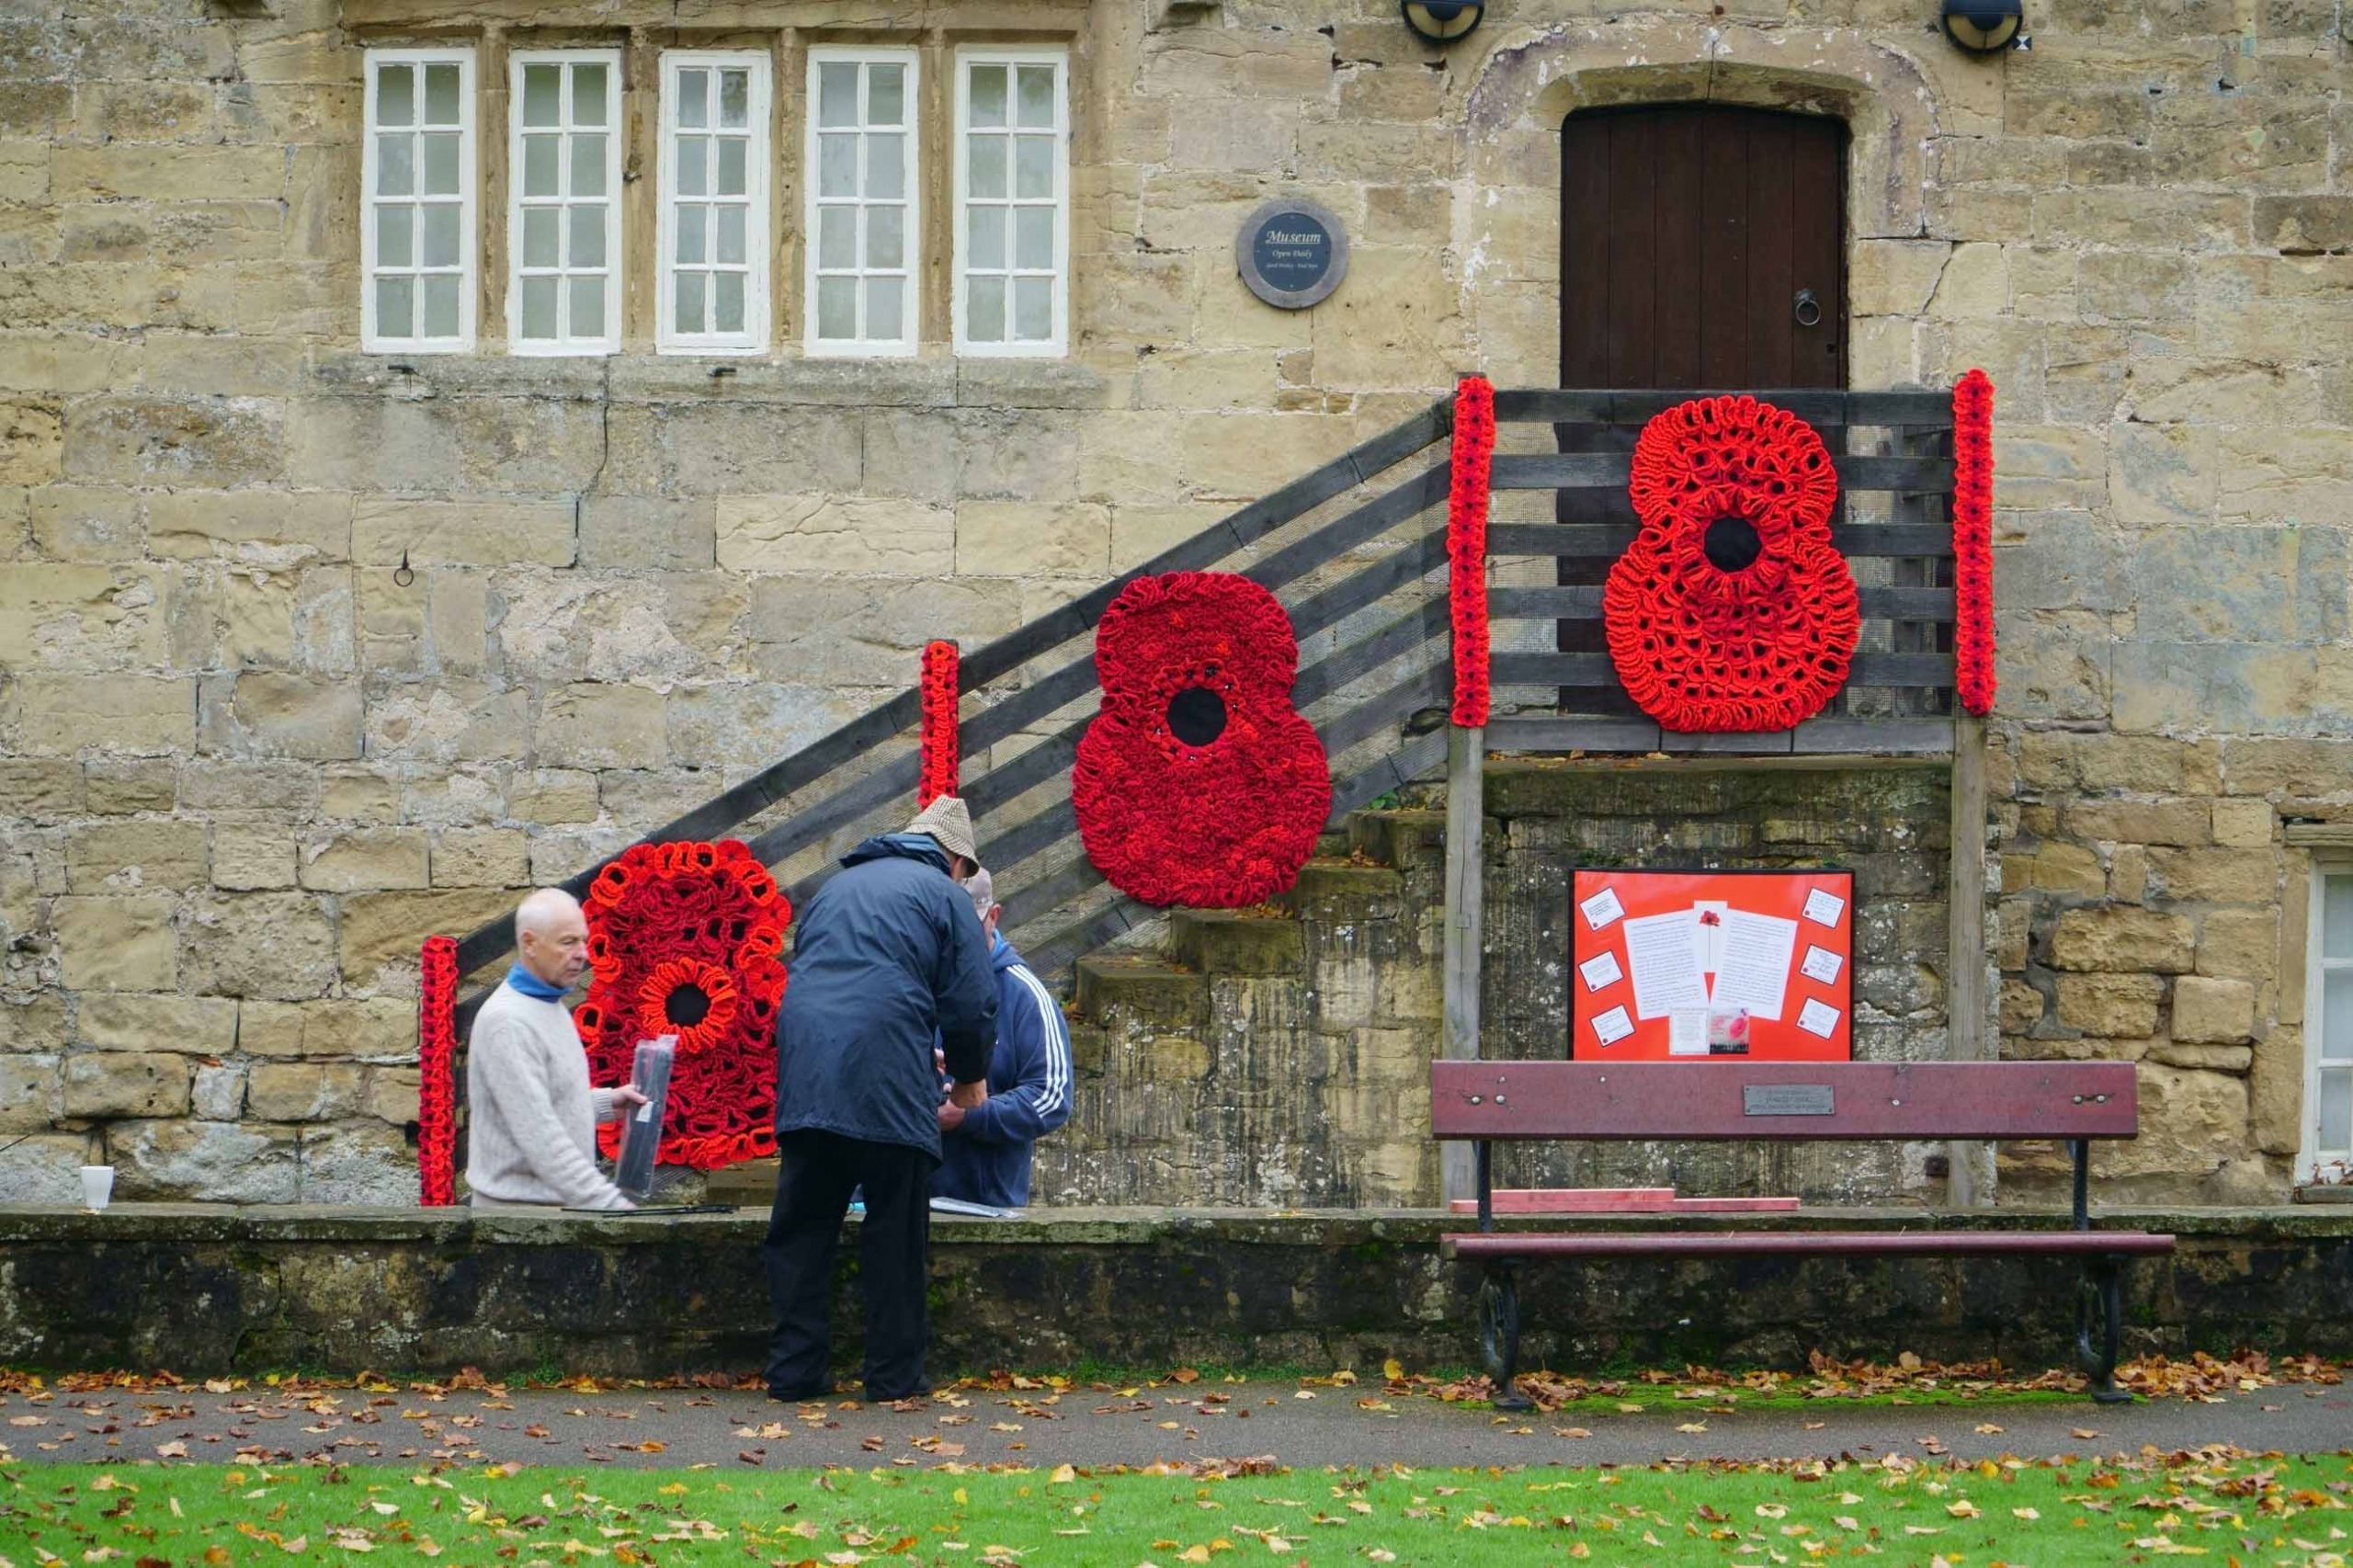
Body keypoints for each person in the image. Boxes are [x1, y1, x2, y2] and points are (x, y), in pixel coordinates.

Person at [764, 795, 997, 1403]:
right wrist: (971, 1078)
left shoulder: (833, 891)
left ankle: (794, 1373)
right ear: (954, 863)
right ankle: (893, 1378)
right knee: (895, 1231)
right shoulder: (945, 896)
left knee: (803, 1228)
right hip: (887, 1070)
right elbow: (971, 1000)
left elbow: (812, 974)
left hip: (808, 1064)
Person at [465, 888, 647, 1210]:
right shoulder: (508, 1022)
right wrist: (616, 1210)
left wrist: (605, 1102)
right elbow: (541, 1138)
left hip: (550, 1216)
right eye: (568, 942)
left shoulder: (547, 1003)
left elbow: (536, 1106)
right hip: (521, 1223)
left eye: (583, 940)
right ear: (530, 943)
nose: (583, 953)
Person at [934, 869, 1073, 1209]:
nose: (957, 938)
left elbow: (1051, 1097)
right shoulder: (913, 980)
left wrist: (969, 1115)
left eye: (969, 925)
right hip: (896, 1208)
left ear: (994, 916)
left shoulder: (1027, 997)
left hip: (985, 1211)